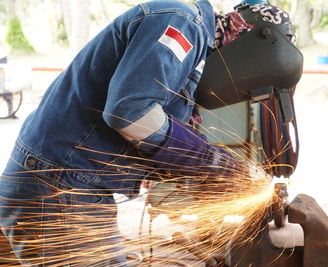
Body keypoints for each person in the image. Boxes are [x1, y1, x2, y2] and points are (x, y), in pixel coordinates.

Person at [0, 0, 301, 266]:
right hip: (58, 185)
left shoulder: (192, 58)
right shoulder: (182, 22)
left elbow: (157, 137)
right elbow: (131, 113)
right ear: (250, 42)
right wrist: (218, 165)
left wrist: (218, 178)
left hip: (69, 185)